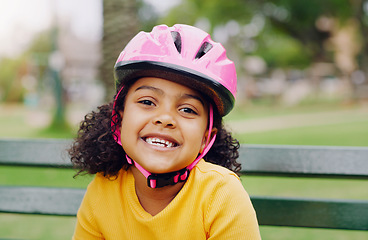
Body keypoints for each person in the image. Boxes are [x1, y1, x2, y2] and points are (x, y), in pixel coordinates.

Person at [69, 24, 261, 239]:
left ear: (205, 138)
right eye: (148, 102)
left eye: (187, 109)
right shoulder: (102, 193)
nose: (166, 118)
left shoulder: (222, 196)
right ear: (119, 120)